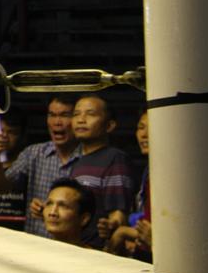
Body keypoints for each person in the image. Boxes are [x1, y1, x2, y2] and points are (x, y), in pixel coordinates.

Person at [0, 95, 81, 237]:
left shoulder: (89, 157)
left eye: (64, 115)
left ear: (76, 120)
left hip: (74, 244)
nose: (57, 122)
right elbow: (1, 189)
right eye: (52, 115)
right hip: (37, 241)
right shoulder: (34, 153)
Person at [69, 94, 134, 245]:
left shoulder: (115, 158)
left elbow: (119, 213)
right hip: (78, 247)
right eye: (76, 114)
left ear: (109, 125)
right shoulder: (78, 161)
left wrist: (112, 225)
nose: (81, 120)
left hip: (97, 250)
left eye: (90, 114)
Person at [105, 109, 152, 259]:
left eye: (152, 127)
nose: (144, 134)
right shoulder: (149, 170)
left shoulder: (175, 173)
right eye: (141, 127)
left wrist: (124, 232)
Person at [43, 178, 96, 247]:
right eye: (49, 204)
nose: (52, 212)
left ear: (84, 219)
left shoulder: (90, 254)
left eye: (63, 206)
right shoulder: (35, 250)